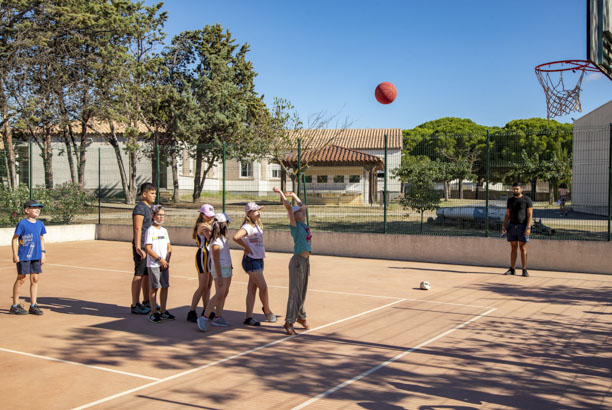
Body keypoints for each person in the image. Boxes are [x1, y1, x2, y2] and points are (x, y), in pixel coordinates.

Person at [273, 188, 312, 336]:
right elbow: (289, 208)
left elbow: (303, 206)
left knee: (302, 291)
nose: (303, 213)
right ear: (294, 217)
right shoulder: (295, 226)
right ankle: (289, 322)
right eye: (300, 213)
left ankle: (301, 316)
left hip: (306, 261)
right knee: (294, 293)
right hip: (297, 262)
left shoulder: (303, 224)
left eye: (302, 212)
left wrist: (294, 195)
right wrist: (282, 194)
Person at [233, 202, 276, 326]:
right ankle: (267, 311)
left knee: (252, 289)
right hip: (251, 261)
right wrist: (246, 247)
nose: (259, 212)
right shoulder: (247, 226)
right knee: (263, 287)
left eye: (259, 210)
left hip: (258, 259)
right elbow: (236, 237)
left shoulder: (257, 225)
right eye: (255, 210)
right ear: (249, 213)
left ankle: (248, 317)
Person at [9, 200, 47, 315]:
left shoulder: (40, 224)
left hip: (36, 255)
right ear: (26, 210)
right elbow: (15, 239)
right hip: (24, 256)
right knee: (21, 279)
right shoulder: (22, 224)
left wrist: (43, 253)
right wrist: (15, 254)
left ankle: (33, 305)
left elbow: (41, 238)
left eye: (39, 208)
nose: (37, 210)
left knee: (35, 279)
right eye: (34, 208)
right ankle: (15, 306)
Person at [197, 212, 234, 331]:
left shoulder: (223, 239)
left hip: (227, 269)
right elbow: (216, 260)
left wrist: (231, 266)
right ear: (223, 225)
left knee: (224, 293)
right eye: (227, 224)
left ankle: (218, 317)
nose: (228, 226)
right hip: (220, 271)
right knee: (219, 294)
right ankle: (204, 317)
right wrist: (219, 278)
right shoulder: (216, 242)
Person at [144, 205, 175, 323]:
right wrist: (159, 260)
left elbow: (169, 247)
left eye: (163, 215)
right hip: (154, 265)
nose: (161, 217)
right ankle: (153, 312)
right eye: (159, 215)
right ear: (153, 216)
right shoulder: (150, 231)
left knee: (165, 286)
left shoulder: (164, 231)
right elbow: (148, 248)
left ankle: (163, 311)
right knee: (154, 288)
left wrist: (167, 261)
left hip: (164, 264)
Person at [131, 182, 157, 315]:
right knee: (139, 274)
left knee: (147, 275)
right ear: (144, 194)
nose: (154, 196)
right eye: (152, 193)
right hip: (141, 246)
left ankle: (147, 301)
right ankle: (135, 304)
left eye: (155, 193)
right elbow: (138, 228)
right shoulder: (140, 208)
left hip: (148, 246)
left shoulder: (150, 207)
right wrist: (138, 247)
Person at [187, 204, 215, 323]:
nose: (210, 218)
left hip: (210, 255)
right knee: (202, 285)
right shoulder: (203, 226)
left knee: (208, 285)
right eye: (208, 216)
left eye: (211, 216)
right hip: (203, 255)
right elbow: (212, 239)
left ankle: (206, 309)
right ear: (202, 215)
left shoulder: (209, 225)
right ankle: (192, 311)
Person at [501, 182, 533, 277]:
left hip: (523, 226)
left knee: (522, 248)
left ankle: (524, 269)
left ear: (521, 189)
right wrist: (504, 225)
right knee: (513, 247)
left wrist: (528, 227)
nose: (515, 191)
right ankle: (512, 269)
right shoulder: (510, 200)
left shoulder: (527, 200)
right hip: (512, 226)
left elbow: (530, 214)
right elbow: (507, 214)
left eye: (517, 189)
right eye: (514, 189)